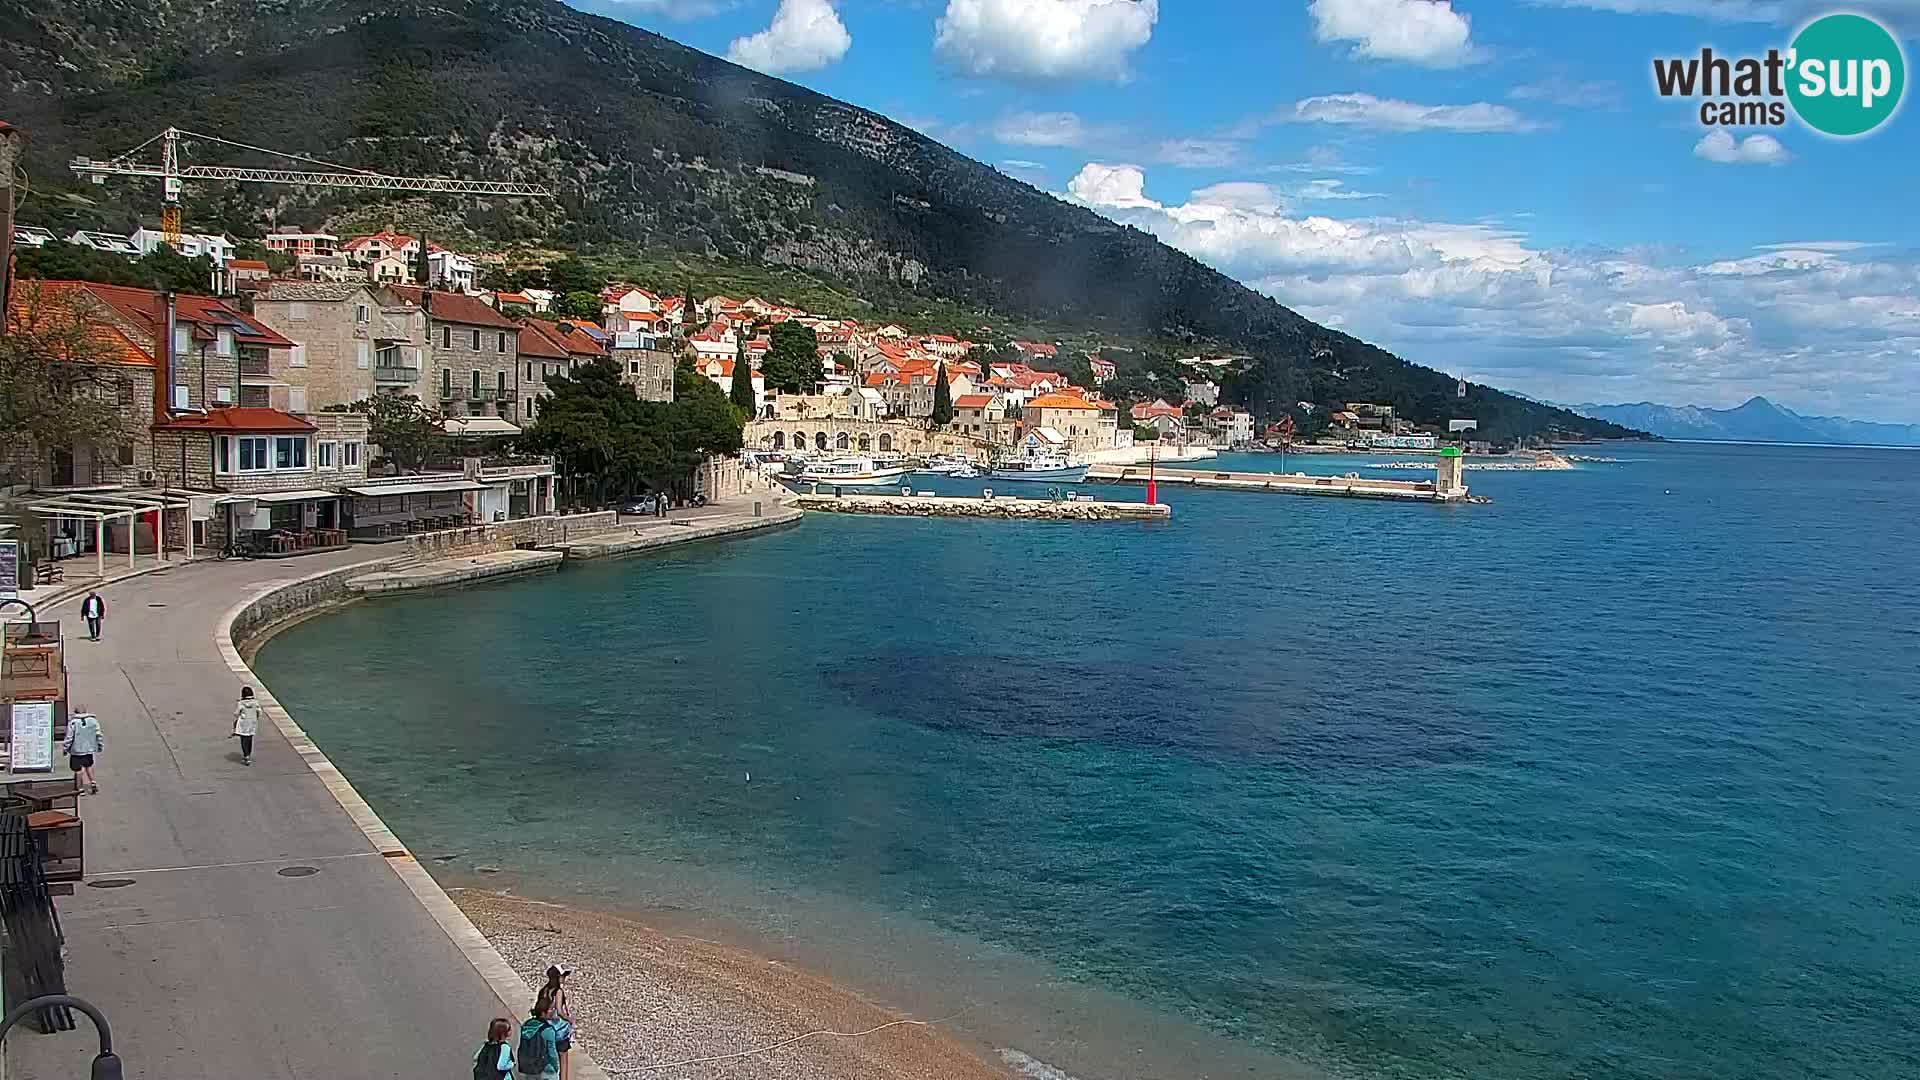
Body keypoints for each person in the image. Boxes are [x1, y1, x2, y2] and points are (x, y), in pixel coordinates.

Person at [516, 997, 572, 1079]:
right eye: (550, 1008)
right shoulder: (548, 1030)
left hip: (530, 1068)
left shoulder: (527, 1025)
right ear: (543, 1012)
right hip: (546, 1070)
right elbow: (552, 1053)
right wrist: (556, 1068)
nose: (553, 1010)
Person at [63, 706, 102, 795]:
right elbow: (98, 734)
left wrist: (65, 748)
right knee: (88, 766)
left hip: (76, 751)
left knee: (78, 770)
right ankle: (93, 782)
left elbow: (69, 738)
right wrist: (99, 746)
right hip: (89, 750)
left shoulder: (73, 723)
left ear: (76, 712)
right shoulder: (93, 721)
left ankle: (80, 789)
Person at [231, 686, 260, 766]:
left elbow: (236, 713)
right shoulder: (255, 702)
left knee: (243, 739)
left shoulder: (241, 703)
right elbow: (259, 712)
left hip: (243, 723)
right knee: (250, 738)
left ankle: (246, 755)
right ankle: (249, 755)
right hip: (252, 722)